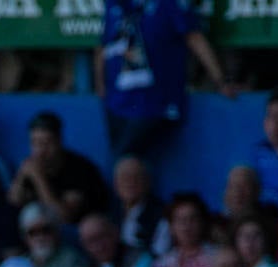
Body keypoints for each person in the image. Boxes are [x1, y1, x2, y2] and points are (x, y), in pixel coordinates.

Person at [98, 0, 233, 158]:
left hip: (155, 101)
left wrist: (221, 81)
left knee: (125, 159)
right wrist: (100, 84)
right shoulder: (113, 3)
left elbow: (194, 38)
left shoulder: (171, 3)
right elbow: (103, 45)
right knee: (124, 160)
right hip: (117, 100)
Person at [8, 110, 110, 226]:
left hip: (84, 231)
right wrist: (21, 177)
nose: (40, 151)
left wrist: (38, 178)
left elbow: (63, 217)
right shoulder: (31, 165)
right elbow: (14, 202)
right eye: (35, 143)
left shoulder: (80, 169)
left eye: (46, 143)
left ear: (59, 141)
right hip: (42, 233)